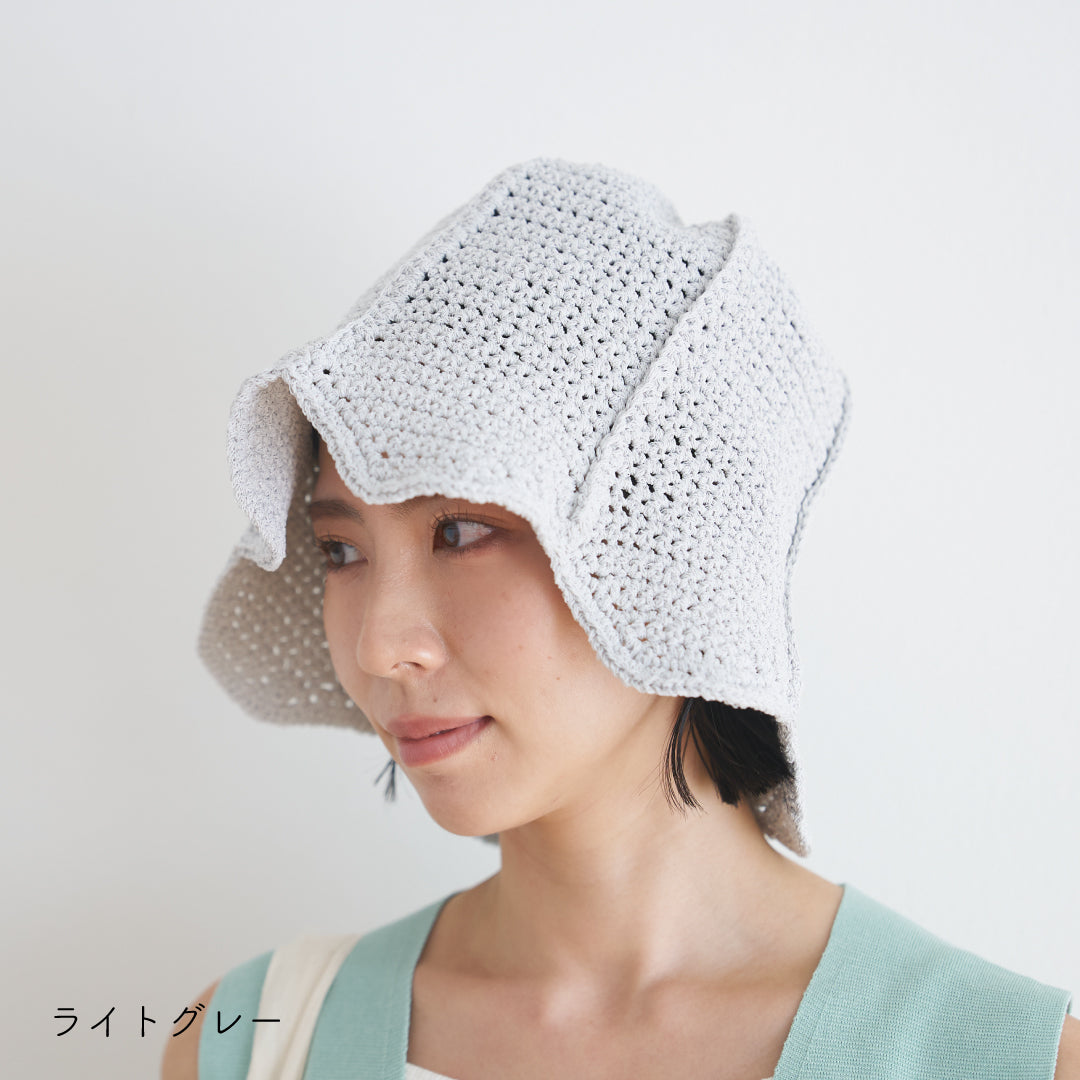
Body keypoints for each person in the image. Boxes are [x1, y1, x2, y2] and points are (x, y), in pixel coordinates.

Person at [164, 159, 1078, 1080]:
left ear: (673, 552)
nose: (378, 646)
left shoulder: (1010, 1060)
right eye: (340, 551)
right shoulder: (244, 1039)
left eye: (462, 531)